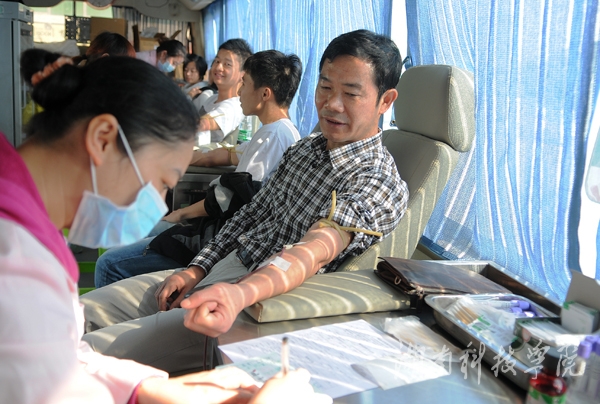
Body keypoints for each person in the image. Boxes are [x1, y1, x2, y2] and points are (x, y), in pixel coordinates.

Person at [0, 48, 328, 404]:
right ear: (103, 139)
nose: (157, 202)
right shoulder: (15, 262)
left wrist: (150, 388)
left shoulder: (26, 231)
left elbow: (55, 358)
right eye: (159, 181)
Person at [80, 29, 409, 375]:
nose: (332, 104)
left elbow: (313, 250)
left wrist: (239, 293)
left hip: (255, 304)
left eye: (351, 94)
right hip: (223, 269)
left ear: (385, 101)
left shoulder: (379, 180)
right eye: (325, 87)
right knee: (81, 312)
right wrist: (196, 269)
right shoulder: (304, 150)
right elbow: (251, 214)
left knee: (89, 356)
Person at [93, 50, 303, 288]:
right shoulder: (277, 132)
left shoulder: (273, 136)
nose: (239, 91)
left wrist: (181, 214)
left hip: (220, 238)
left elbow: (235, 200)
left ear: (265, 94)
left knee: (109, 263)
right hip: (217, 229)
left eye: (244, 84)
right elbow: (226, 156)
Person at [196, 38, 251, 144]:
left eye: (227, 64)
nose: (218, 67)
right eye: (217, 61)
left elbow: (204, 124)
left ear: (243, 74)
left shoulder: (234, 106)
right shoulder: (212, 99)